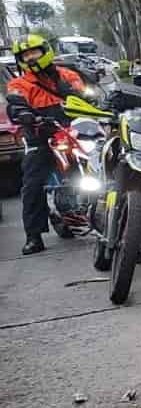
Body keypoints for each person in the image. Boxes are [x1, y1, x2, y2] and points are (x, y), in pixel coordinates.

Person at [6, 34, 85, 255]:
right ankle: (34, 236)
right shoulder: (18, 83)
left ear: (45, 51)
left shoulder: (67, 75)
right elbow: (14, 104)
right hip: (41, 136)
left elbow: (85, 96)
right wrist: (23, 113)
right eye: (25, 55)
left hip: (74, 130)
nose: (31, 58)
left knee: (107, 159)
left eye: (34, 52)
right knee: (32, 183)